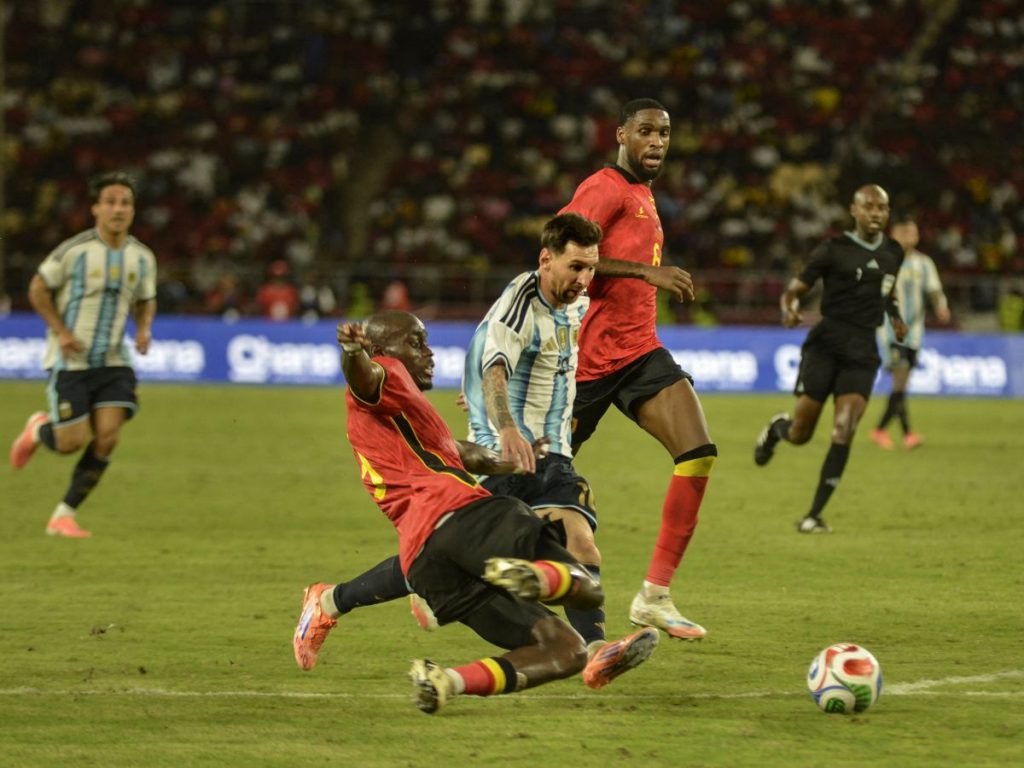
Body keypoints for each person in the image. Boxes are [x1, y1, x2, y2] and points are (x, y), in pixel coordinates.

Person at [292, 215, 659, 691]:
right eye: (417, 342)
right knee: (558, 563)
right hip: (467, 493)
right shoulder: (388, 371)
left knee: (567, 550)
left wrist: (501, 453)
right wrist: (354, 353)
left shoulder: (415, 408)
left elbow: (453, 446)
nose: (430, 351)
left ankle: (563, 655)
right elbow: (479, 363)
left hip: (477, 495)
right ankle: (331, 601)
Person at [558, 98, 717, 640]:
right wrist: (646, 274)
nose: (657, 141)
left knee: (697, 452)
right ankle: (438, 567)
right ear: (621, 134)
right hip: (583, 366)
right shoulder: (603, 187)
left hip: (640, 353)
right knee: (517, 487)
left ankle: (655, 596)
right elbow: (562, 252)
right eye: (646, 131)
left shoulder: (643, 196)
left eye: (665, 133)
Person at [8, 171, 157, 538]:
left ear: (133, 210)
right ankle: (38, 428)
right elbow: (38, 288)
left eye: (125, 203)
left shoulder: (142, 257)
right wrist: (61, 331)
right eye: (110, 202)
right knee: (69, 443)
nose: (118, 209)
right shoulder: (74, 251)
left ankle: (63, 514)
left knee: (108, 435)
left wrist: (143, 328)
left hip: (114, 360)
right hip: (71, 362)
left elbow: (146, 299)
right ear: (95, 208)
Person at [753, 184, 908, 533]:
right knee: (801, 432)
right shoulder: (833, 250)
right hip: (825, 345)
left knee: (845, 428)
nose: (875, 213)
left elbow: (886, 291)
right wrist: (789, 309)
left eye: (881, 208)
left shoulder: (894, 252)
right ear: (853, 211)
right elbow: (795, 289)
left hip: (863, 351)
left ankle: (813, 515)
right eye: (868, 207)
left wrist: (895, 316)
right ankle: (778, 431)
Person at [870, 214, 951, 450]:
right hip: (890, 332)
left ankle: (889, 431)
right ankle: (899, 433)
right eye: (904, 232)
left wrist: (941, 307)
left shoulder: (924, 264)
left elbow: (935, 290)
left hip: (915, 332)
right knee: (901, 377)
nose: (910, 236)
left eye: (913, 232)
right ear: (893, 234)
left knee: (901, 385)